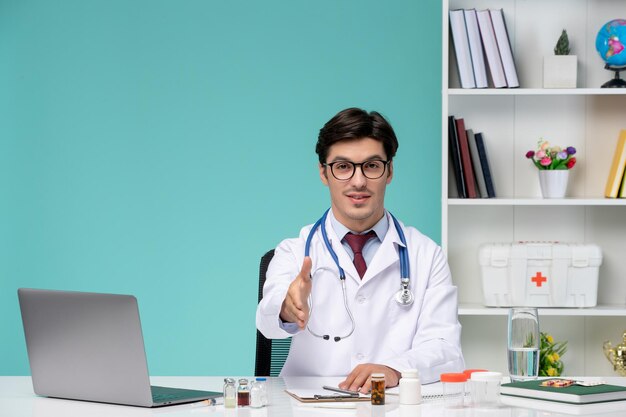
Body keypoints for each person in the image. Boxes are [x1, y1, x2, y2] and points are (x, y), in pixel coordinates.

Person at [256, 107, 464, 392]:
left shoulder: (427, 255)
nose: (358, 181)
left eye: (372, 165)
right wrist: (286, 309)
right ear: (323, 173)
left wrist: (394, 369)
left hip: (391, 404)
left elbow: (446, 350)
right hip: (309, 406)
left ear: (389, 171)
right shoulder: (294, 251)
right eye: (343, 167)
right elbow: (268, 321)